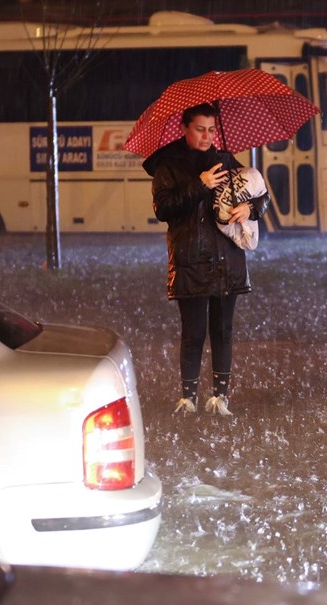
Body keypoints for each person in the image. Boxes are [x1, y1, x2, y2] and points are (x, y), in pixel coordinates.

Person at [141, 103, 270, 416]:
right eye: (200, 129)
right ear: (184, 127)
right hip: (191, 259)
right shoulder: (167, 165)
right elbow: (164, 210)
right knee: (193, 331)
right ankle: (188, 399)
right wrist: (200, 185)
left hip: (227, 258)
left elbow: (259, 195)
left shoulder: (225, 159)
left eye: (212, 130)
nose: (207, 136)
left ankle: (220, 398)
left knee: (223, 331)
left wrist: (250, 210)